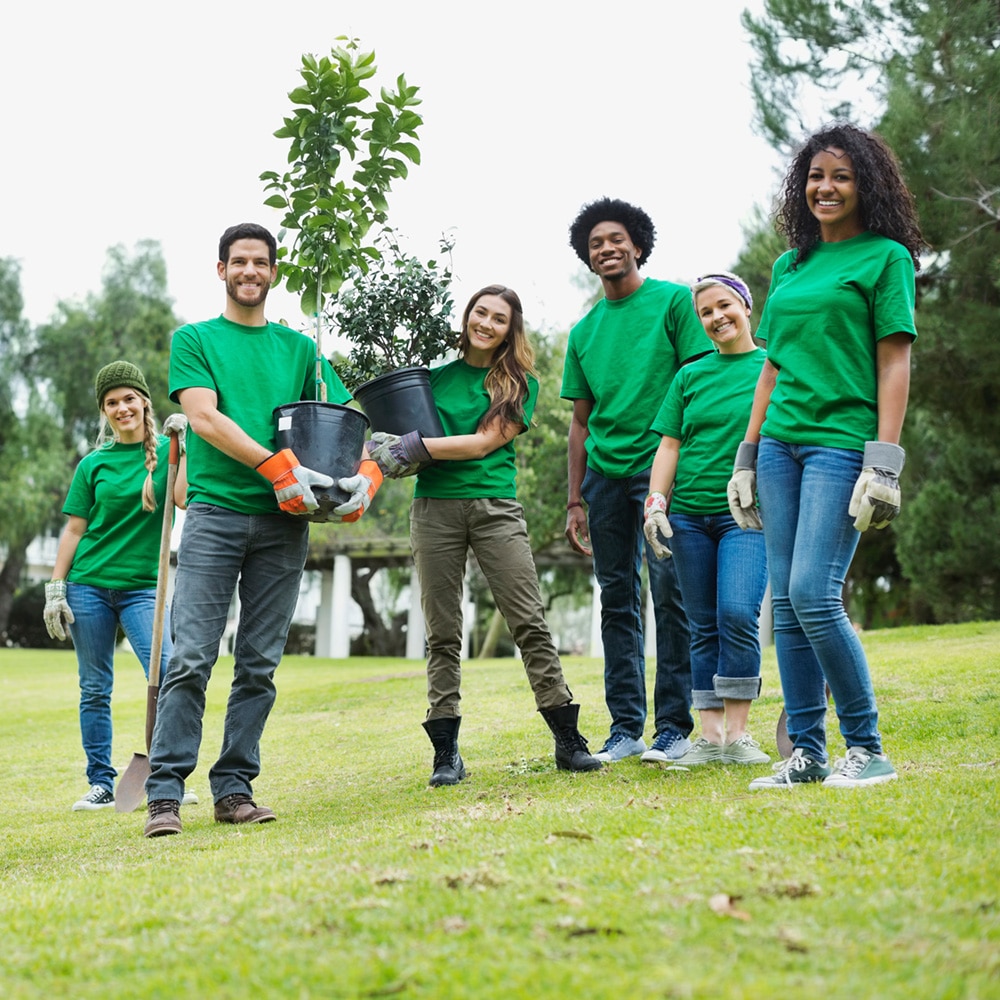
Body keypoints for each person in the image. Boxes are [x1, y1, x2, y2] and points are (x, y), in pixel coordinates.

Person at [143, 222, 383, 837]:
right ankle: (165, 793)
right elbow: (204, 417)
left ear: (274, 273)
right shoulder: (195, 339)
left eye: (261, 262)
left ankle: (234, 788)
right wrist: (276, 466)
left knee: (258, 663)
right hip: (217, 515)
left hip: (286, 523)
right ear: (221, 270)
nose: (250, 271)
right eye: (239, 262)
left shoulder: (302, 350)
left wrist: (363, 476)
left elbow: (340, 422)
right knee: (191, 657)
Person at [726, 123, 924, 790]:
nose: (826, 187)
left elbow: (893, 362)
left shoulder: (886, 258)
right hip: (780, 444)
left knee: (814, 590)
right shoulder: (791, 266)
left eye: (840, 176)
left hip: (842, 443)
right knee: (784, 601)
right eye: (815, 176)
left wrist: (885, 461)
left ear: (864, 184)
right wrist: (746, 456)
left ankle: (866, 747)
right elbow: (772, 367)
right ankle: (806, 752)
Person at [368, 285, 602, 785]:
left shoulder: (519, 386)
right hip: (433, 510)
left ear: (510, 330)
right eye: (481, 312)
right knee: (442, 633)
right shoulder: (429, 379)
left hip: (495, 508)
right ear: (467, 316)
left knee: (528, 621)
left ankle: (567, 738)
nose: (487, 323)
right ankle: (446, 753)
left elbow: (479, 445)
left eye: (499, 318)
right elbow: (396, 431)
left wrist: (414, 447)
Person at [562, 197, 708, 763]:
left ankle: (674, 726)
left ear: (638, 245)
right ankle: (625, 727)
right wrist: (575, 498)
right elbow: (579, 422)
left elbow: (697, 379)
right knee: (616, 598)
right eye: (596, 243)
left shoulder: (674, 302)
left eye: (616, 239)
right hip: (603, 477)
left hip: (661, 473)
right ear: (588, 256)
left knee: (671, 595)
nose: (607, 248)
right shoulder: (584, 331)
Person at [44, 361, 191, 811]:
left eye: (129, 398)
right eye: (112, 403)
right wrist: (56, 586)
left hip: (145, 587)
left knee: (168, 676)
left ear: (144, 400)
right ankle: (101, 783)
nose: (122, 408)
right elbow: (74, 530)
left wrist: (184, 448)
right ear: (104, 412)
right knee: (94, 688)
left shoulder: (168, 455)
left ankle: (166, 777)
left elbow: (183, 498)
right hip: (88, 585)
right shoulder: (93, 464)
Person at [643, 273, 770, 768]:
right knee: (702, 625)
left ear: (745, 305)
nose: (717, 318)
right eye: (706, 313)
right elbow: (670, 444)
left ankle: (738, 735)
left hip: (747, 514)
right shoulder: (690, 376)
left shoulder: (771, 368)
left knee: (737, 613)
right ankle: (710, 736)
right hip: (689, 517)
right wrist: (656, 501)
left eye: (724, 306)